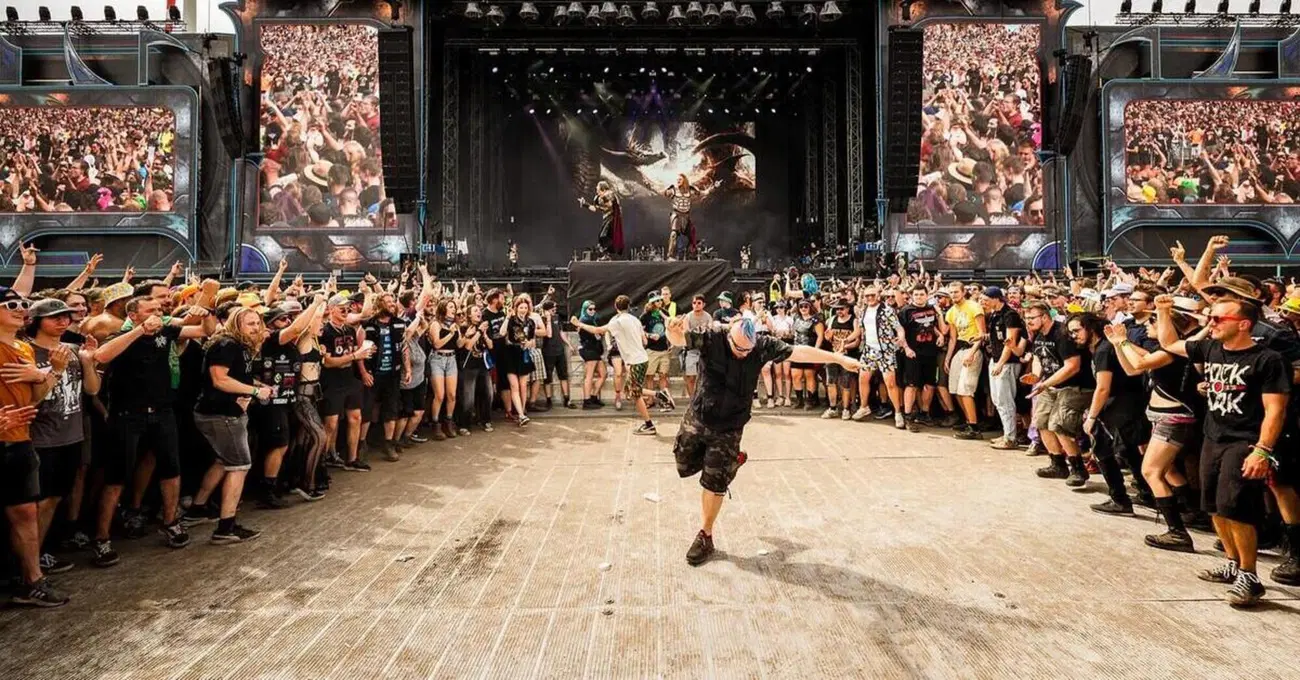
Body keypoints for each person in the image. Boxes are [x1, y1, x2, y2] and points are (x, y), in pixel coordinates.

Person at [664, 315, 862, 565]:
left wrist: (838, 359)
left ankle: (706, 534)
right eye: (739, 349)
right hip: (699, 416)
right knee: (683, 463)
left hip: (730, 426)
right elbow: (679, 339)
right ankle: (731, 462)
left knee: (714, 482)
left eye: (748, 350)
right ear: (729, 335)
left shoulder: (761, 345)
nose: (743, 354)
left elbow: (799, 351)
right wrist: (671, 331)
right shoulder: (712, 337)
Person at [1155, 294, 1288, 607]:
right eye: (1209, 317)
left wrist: (1262, 450)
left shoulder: (1267, 360)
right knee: (1214, 505)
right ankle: (1232, 563)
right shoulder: (1211, 348)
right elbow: (1170, 343)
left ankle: (1249, 576)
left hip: (1245, 440)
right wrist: (1162, 311)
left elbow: (1275, 410)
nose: (1210, 323)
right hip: (1213, 437)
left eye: (1217, 319)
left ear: (1243, 324)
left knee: (1235, 507)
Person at [92, 296, 212, 566]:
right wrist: (140, 331)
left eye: (159, 309)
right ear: (133, 315)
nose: (158, 313)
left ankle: (170, 522)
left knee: (171, 470)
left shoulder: (166, 331)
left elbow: (203, 331)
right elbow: (101, 356)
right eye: (151, 310)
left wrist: (205, 314)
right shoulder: (120, 336)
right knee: (116, 478)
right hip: (127, 415)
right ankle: (101, 538)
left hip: (162, 412)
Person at [0, 288, 69, 607]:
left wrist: (51, 372)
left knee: (26, 511)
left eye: (24, 304)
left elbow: (36, 399)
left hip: (20, 440)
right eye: (11, 304)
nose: (20, 308)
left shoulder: (23, 348)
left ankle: (32, 581)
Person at [183, 308, 274, 544]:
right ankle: (226, 527)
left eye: (257, 323)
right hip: (221, 414)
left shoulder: (239, 346)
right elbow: (219, 379)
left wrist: (256, 386)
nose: (256, 328)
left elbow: (237, 377)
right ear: (236, 324)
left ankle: (197, 509)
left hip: (225, 413)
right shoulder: (227, 345)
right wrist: (255, 391)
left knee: (224, 461)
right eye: (250, 324)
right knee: (239, 465)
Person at [26, 299, 100, 577]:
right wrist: (55, 370)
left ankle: (38, 554)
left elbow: (92, 390)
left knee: (55, 498)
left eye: (65, 317)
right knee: (41, 501)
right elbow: (30, 401)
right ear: (37, 321)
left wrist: (88, 362)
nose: (62, 321)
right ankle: (28, 562)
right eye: (54, 317)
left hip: (71, 435)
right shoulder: (26, 352)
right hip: (41, 438)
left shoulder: (72, 349)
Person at [572, 294, 674, 435]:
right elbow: (644, 341)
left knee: (635, 394)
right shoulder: (635, 320)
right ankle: (660, 394)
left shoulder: (616, 321)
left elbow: (597, 330)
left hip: (636, 361)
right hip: (641, 359)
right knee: (629, 390)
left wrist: (579, 324)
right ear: (628, 306)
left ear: (616, 306)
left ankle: (649, 425)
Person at [1024, 300, 1095, 486]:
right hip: (1050, 385)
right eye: (1026, 318)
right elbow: (1038, 357)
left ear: (1044, 317)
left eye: (1031, 318)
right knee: (1040, 421)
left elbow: (1072, 366)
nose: (1028, 321)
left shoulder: (1061, 334)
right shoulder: (1038, 334)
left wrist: (1045, 383)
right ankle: (1057, 464)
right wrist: (1036, 375)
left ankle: (1078, 468)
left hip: (1075, 385)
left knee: (1059, 424)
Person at [319, 294, 373, 472]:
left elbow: (356, 353)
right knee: (331, 423)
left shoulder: (349, 330)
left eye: (347, 307)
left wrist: (364, 355)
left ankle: (352, 458)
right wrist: (355, 356)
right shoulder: (325, 332)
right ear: (331, 309)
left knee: (356, 417)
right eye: (341, 307)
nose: (345, 310)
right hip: (332, 381)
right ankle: (321, 463)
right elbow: (328, 362)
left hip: (349, 379)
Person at [983, 286, 1025, 449]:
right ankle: (1007, 432)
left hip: (1007, 362)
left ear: (996, 299)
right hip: (995, 358)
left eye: (986, 300)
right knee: (997, 399)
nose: (984, 303)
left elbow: (1010, 341)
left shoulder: (1010, 315)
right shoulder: (995, 314)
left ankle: (1011, 437)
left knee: (1005, 399)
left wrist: (1000, 363)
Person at [944, 281, 987, 439]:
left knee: (965, 389)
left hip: (973, 348)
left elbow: (982, 333)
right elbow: (953, 338)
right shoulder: (950, 312)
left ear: (963, 292)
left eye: (956, 292)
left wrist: (973, 352)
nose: (953, 295)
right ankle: (968, 420)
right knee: (954, 388)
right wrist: (948, 358)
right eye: (951, 292)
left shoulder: (974, 307)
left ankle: (974, 427)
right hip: (960, 350)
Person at [579, 180, 625, 256]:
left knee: (603, 236)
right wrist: (585, 204)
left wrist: (603, 198)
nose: (596, 188)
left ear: (603, 189)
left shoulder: (609, 194)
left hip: (612, 217)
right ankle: (607, 254)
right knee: (602, 238)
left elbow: (610, 205)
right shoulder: (598, 198)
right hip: (606, 218)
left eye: (598, 187)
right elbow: (594, 209)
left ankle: (610, 249)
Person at [575, 300, 606, 408]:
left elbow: (599, 332)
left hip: (595, 350)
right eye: (590, 309)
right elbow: (596, 331)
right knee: (589, 376)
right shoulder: (584, 319)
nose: (593, 311)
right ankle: (587, 401)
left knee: (603, 374)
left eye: (594, 309)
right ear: (585, 309)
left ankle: (593, 397)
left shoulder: (593, 319)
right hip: (588, 349)